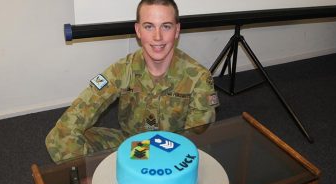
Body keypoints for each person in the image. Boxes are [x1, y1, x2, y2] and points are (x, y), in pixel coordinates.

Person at [45, 0, 219, 163]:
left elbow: (197, 136)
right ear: (138, 30)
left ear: (177, 30)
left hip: (174, 150)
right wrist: (138, 154)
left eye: (166, 26)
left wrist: (148, 157)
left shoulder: (198, 77)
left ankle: (129, 171)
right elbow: (77, 115)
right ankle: (116, 173)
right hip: (132, 144)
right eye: (149, 26)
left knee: (198, 156)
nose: (157, 37)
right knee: (58, 138)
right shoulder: (121, 70)